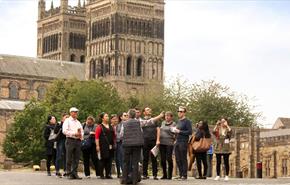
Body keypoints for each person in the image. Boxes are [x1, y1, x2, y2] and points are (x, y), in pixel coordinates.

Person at [120, 109, 144, 185]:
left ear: (129, 115)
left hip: (127, 145)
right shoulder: (139, 122)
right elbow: (141, 132)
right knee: (135, 163)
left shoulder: (124, 123)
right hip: (137, 145)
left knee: (125, 163)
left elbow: (121, 134)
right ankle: (134, 181)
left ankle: (124, 180)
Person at [62, 107, 84, 180]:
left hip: (78, 141)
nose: (75, 113)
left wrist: (81, 135)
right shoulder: (67, 121)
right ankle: (69, 173)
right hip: (70, 140)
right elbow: (64, 131)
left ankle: (74, 173)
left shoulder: (78, 122)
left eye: (76, 112)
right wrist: (74, 134)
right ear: (70, 113)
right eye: (74, 112)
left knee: (76, 158)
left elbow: (82, 131)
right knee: (69, 157)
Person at [173, 106, 192, 180]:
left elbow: (190, 132)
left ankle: (184, 175)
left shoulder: (187, 121)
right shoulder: (178, 121)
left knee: (183, 158)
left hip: (183, 142)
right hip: (177, 141)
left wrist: (179, 131)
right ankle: (180, 174)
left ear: (184, 113)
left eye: (181, 111)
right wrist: (175, 133)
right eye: (178, 111)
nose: (179, 113)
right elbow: (177, 131)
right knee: (177, 159)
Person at [141, 107, 160, 180]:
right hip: (145, 141)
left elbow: (158, 130)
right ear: (144, 112)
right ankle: (144, 174)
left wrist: (158, 140)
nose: (150, 111)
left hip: (153, 141)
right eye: (147, 110)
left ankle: (155, 175)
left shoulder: (155, 120)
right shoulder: (142, 121)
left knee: (154, 158)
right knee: (145, 158)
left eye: (150, 109)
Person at [95, 112, 115, 179]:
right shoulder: (99, 127)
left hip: (110, 145)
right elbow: (97, 137)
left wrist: (114, 143)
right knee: (102, 160)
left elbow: (114, 136)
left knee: (109, 160)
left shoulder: (111, 126)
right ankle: (101, 174)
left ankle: (108, 174)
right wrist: (97, 146)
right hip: (102, 145)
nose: (108, 117)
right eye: (106, 116)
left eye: (108, 116)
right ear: (102, 118)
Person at [158, 111, 176, 180]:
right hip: (162, 143)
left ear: (171, 117)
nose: (166, 117)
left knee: (169, 159)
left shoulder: (174, 124)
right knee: (162, 160)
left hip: (169, 143)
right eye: (165, 116)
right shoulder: (162, 123)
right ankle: (164, 174)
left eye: (168, 116)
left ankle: (169, 175)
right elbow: (160, 130)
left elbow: (175, 133)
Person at [54, 113, 69, 177]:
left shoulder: (69, 124)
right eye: (66, 117)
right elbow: (55, 131)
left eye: (68, 117)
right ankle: (57, 170)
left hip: (67, 140)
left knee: (66, 156)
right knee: (59, 156)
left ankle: (66, 171)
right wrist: (60, 126)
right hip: (60, 141)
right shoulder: (59, 123)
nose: (67, 118)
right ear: (62, 118)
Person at [115, 112, 128, 178]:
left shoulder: (129, 124)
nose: (126, 116)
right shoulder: (118, 125)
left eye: (127, 115)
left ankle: (126, 172)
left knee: (126, 158)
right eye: (125, 115)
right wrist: (120, 138)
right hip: (120, 143)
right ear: (121, 117)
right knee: (120, 158)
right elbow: (117, 134)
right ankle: (122, 172)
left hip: (127, 143)